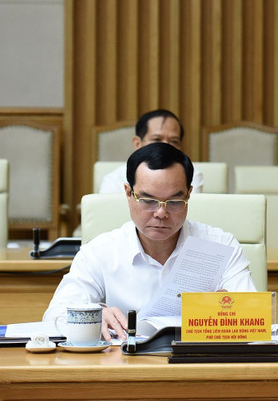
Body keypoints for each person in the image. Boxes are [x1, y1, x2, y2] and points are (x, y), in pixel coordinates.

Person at [44, 142, 255, 340]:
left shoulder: (221, 246)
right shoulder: (99, 252)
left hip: (198, 360)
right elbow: (55, 316)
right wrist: (94, 315)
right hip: (122, 363)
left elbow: (253, 314)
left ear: (189, 195)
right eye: (148, 200)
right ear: (128, 193)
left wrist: (226, 309)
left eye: (174, 201)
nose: (161, 213)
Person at [99, 109, 204, 193]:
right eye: (157, 139)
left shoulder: (191, 176)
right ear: (137, 143)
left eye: (174, 141)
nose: (165, 146)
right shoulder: (113, 180)